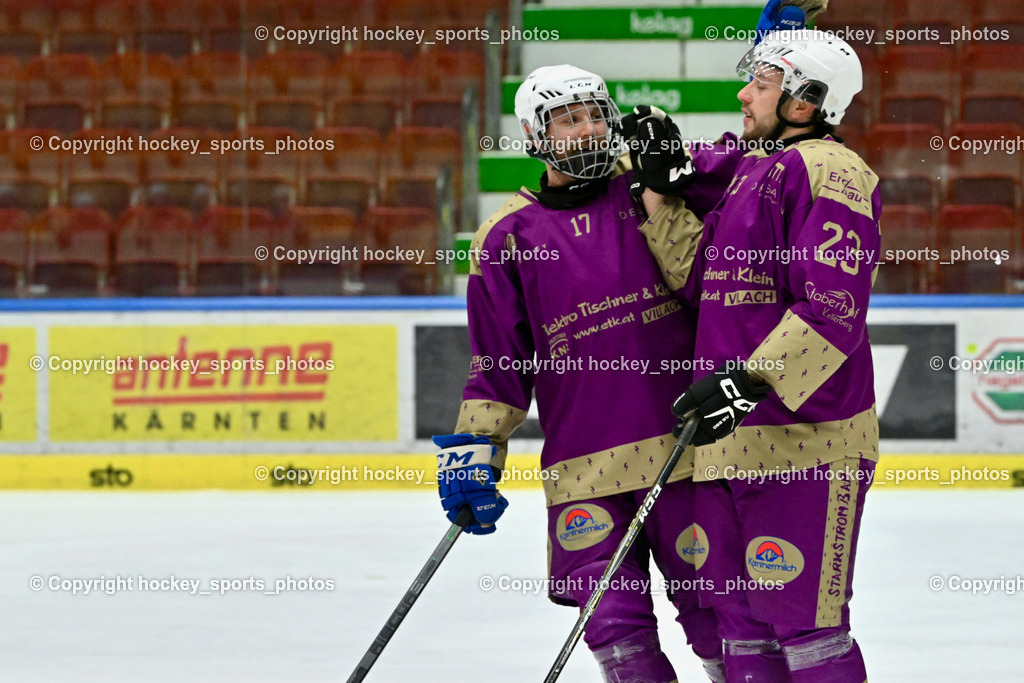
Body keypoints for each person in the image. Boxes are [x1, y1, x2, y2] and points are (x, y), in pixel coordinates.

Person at [432, 63, 739, 682]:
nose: (588, 129)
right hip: (584, 472)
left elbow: (755, 175)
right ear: (532, 132)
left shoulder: (651, 188)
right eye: (568, 119)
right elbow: (499, 363)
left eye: (597, 114)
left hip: (688, 455)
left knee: (718, 624)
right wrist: (474, 451)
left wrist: (773, 55)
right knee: (617, 635)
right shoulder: (505, 238)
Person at [634, 29, 881, 682]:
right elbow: (700, 282)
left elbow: (832, 308)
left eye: (762, 83)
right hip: (729, 443)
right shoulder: (754, 171)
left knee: (810, 631)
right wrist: (658, 194)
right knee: (742, 632)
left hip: (807, 444)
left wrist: (747, 381)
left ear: (804, 102)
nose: (744, 95)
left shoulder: (831, 170)